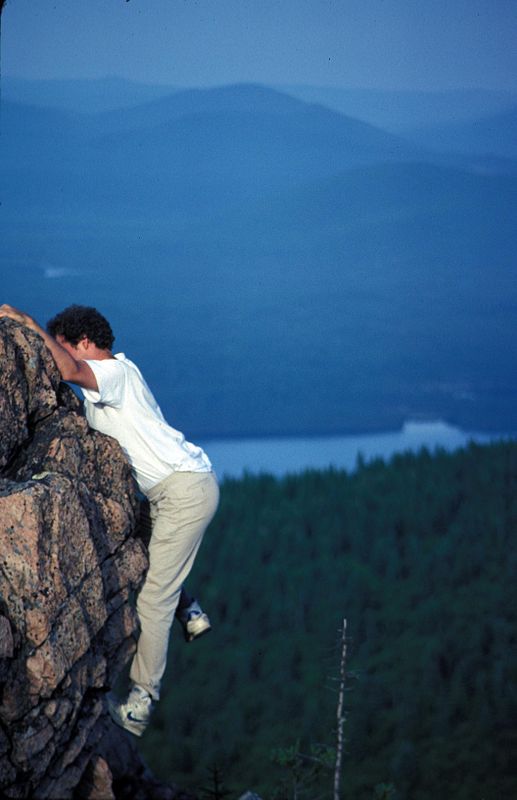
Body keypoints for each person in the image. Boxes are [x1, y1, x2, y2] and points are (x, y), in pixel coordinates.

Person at [0, 303, 219, 737]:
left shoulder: (114, 375)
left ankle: (142, 701)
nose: (60, 354)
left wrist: (28, 325)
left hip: (183, 492)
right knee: (139, 539)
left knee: (152, 597)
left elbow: (67, 371)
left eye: (67, 347)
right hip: (174, 489)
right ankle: (190, 609)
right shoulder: (121, 375)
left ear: (84, 344)